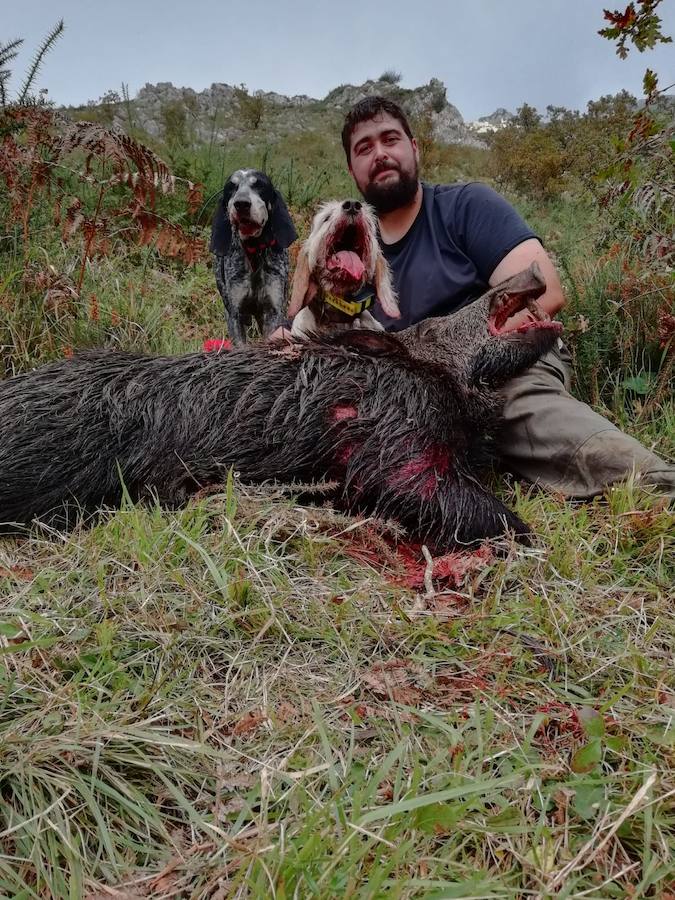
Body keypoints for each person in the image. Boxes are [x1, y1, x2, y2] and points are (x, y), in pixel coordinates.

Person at [335, 95, 675, 499]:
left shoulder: (466, 206)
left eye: (390, 139)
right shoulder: (347, 255)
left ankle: (655, 485)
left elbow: (543, 290)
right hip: (406, 393)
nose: (380, 154)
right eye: (364, 148)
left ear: (414, 148)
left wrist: (455, 362)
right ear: (352, 169)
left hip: (499, 365)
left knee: (518, 410)